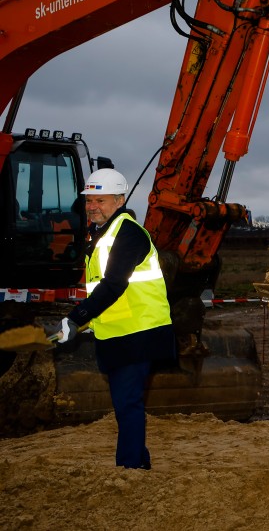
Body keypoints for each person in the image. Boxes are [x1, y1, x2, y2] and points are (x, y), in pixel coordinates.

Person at [54, 168, 176, 470]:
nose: (93, 206)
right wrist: (82, 323)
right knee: (126, 404)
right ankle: (139, 464)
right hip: (118, 333)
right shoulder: (103, 234)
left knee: (127, 404)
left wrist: (76, 317)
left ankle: (130, 469)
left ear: (120, 200)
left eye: (101, 200)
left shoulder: (129, 233)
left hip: (139, 332)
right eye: (89, 200)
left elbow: (113, 284)